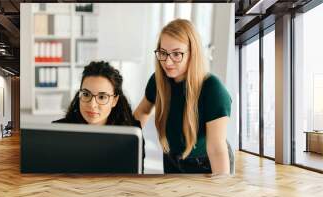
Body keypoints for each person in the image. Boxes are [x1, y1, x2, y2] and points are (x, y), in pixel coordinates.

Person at [134, 19, 232, 175]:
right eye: (163, 53)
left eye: (177, 54)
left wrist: (221, 188)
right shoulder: (158, 80)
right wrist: (126, 142)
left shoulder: (213, 89)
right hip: (171, 158)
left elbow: (216, 149)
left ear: (193, 53)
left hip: (206, 163)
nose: (167, 61)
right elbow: (142, 112)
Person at [52, 61, 145, 172]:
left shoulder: (131, 135)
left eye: (102, 97)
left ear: (114, 100)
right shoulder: (59, 129)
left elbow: (135, 178)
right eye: (86, 94)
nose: (92, 105)